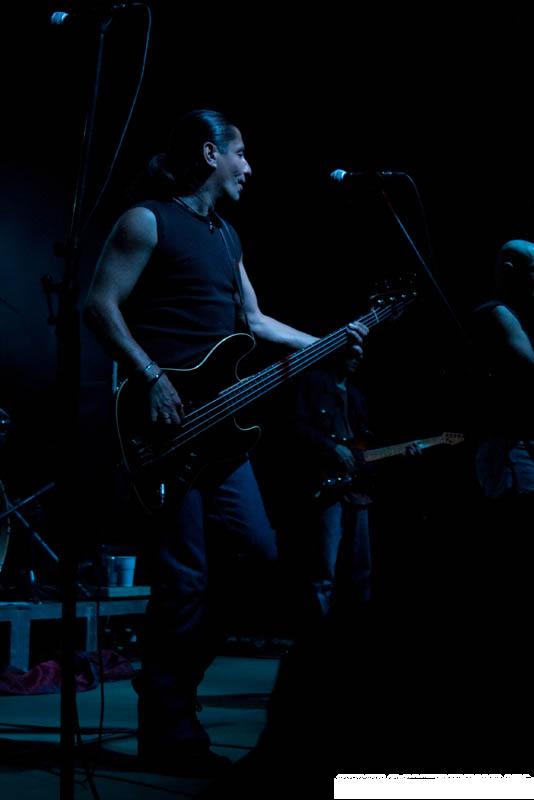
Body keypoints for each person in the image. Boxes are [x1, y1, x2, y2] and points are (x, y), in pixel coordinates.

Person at [82, 109, 367, 776]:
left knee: (258, 556)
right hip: (166, 426)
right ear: (211, 153)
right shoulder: (147, 220)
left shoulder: (227, 236)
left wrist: (329, 342)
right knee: (184, 578)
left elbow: (254, 320)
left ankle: (166, 683)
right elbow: (99, 304)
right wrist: (151, 377)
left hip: (223, 431)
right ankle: (169, 726)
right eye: (242, 155)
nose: (250, 169)